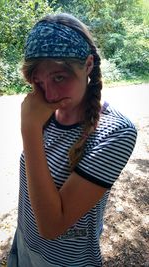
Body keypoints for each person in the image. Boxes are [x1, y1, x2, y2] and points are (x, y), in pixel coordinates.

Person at [7, 13, 137, 267]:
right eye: (39, 81)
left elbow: (52, 226)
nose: (50, 94)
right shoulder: (44, 111)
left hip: (64, 261)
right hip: (24, 243)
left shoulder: (116, 132)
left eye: (59, 77)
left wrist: (30, 129)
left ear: (88, 65)